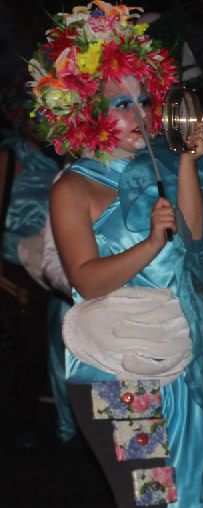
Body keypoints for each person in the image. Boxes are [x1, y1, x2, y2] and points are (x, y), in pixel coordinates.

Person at [34, 3, 203, 508]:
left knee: (193, 502)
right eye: (121, 104)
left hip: (178, 358)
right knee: (147, 504)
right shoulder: (73, 187)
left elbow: (194, 240)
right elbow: (86, 279)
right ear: (86, 113)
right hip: (115, 369)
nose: (140, 114)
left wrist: (187, 159)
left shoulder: (164, 164)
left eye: (144, 100)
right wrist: (149, 243)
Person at [0, 76, 64, 451]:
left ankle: (69, 423)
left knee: (65, 343)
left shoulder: (61, 158)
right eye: (38, 116)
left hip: (57, 261)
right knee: (31, 349)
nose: (45, 122)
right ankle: (25, 422)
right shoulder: (10, 158)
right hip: (15, 265)